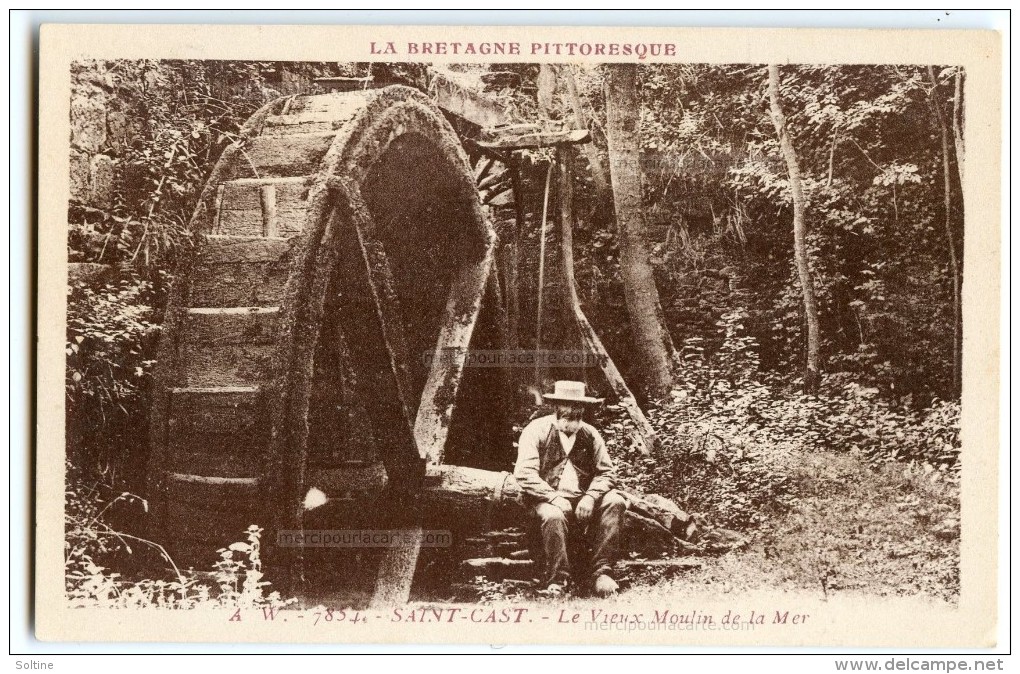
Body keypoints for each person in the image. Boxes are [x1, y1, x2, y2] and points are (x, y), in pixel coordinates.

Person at [514, 380, 627, 596]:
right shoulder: (536, 430)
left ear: (583, 410)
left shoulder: (590, 434)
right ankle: (559, 580)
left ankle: (602, 573)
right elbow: (524, 474)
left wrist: (591, 497)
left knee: (616, 501)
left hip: (582, 498)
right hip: (544, 499)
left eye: (577, 412)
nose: (572, 418)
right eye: (566, 412)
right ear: (556, 409)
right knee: (553, 515)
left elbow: (607, 472)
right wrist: (554, 497)